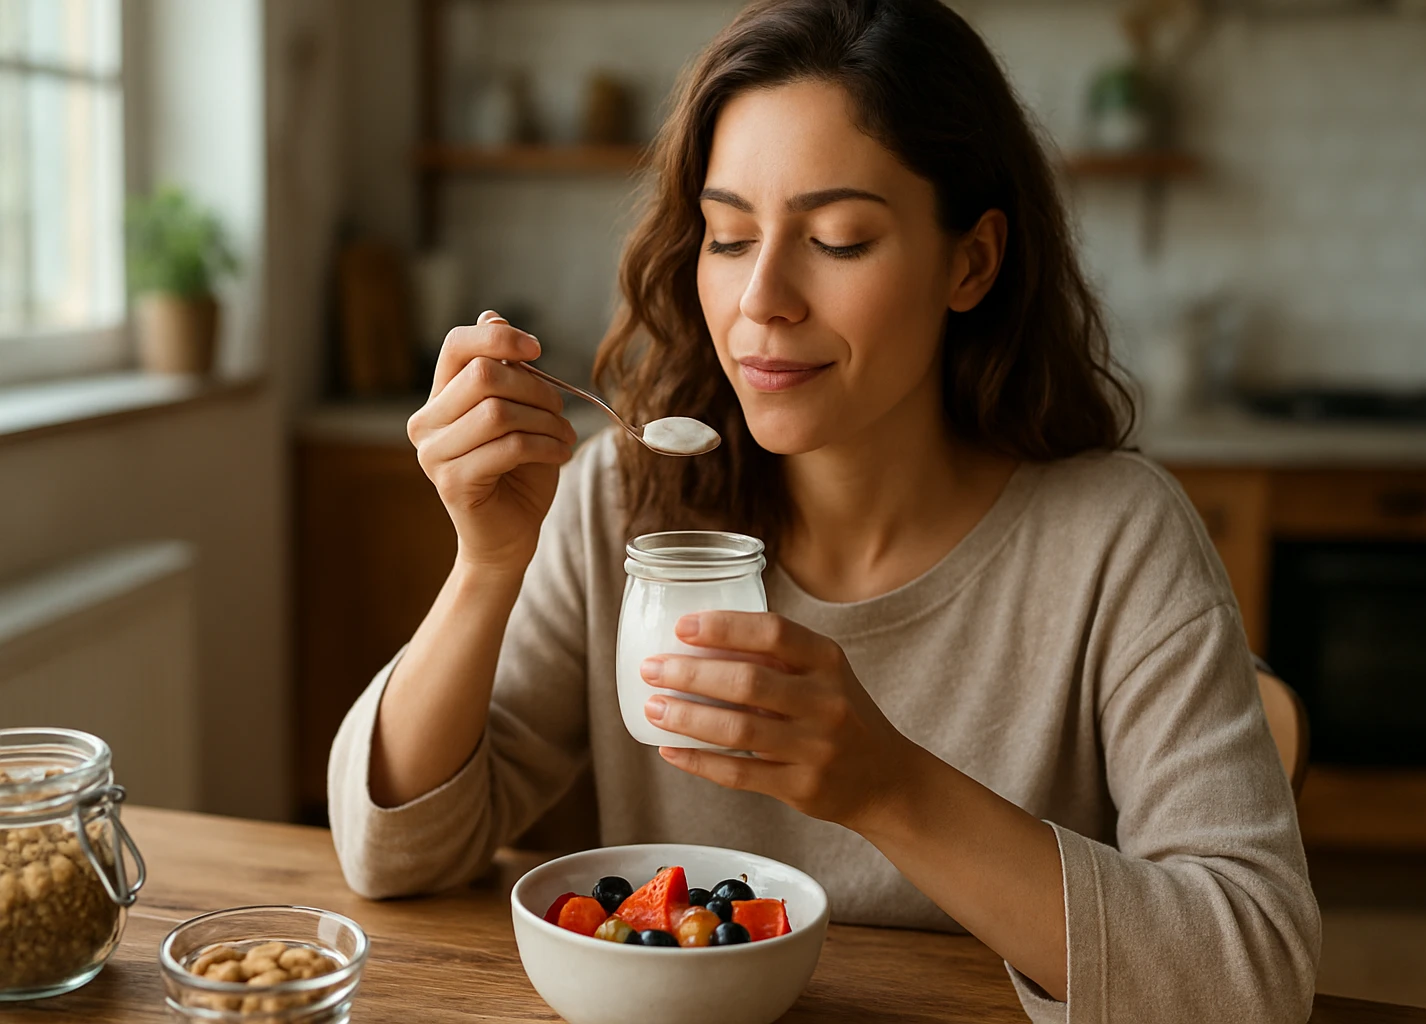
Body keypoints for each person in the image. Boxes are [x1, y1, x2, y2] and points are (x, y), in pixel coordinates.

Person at [328, 1, 1320, 1019]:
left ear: (971, 262)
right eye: (726, 235)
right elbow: (392, 851)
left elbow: (1251, 973)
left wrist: (887, 787)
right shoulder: (624, 497)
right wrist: (486, 565)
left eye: (839, 240)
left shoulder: (1117, 537)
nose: (762, 297)